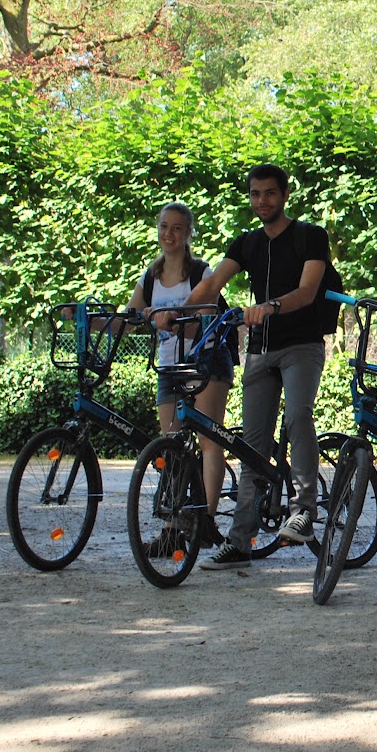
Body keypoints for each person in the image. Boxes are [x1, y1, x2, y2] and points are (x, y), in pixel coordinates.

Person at [183, 164, 343, 570]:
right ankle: (239, 542)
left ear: (285, 195)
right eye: (255, 194)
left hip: (301, 346)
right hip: (259, 350)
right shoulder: (247, 243)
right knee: (251, 446)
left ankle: (303, 509)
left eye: (270, 193)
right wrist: (177, 312)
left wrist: (269, 306)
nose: (262, 201)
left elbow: (308, 291)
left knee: (298, 415)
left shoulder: (310, 236)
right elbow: (212, 284)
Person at [127, 202, 232, 550]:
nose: (168, 234)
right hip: (170, 367)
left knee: (208, 440)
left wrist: (168, 317)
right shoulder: (150, 276)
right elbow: (127, 318)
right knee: (171, 446)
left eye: (176, 228)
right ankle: (172, 530)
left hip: (206, 362)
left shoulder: (200, 272)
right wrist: (84, 315)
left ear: (188, 233)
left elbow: (208, 312)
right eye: (163, 226)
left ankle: (206, 520)